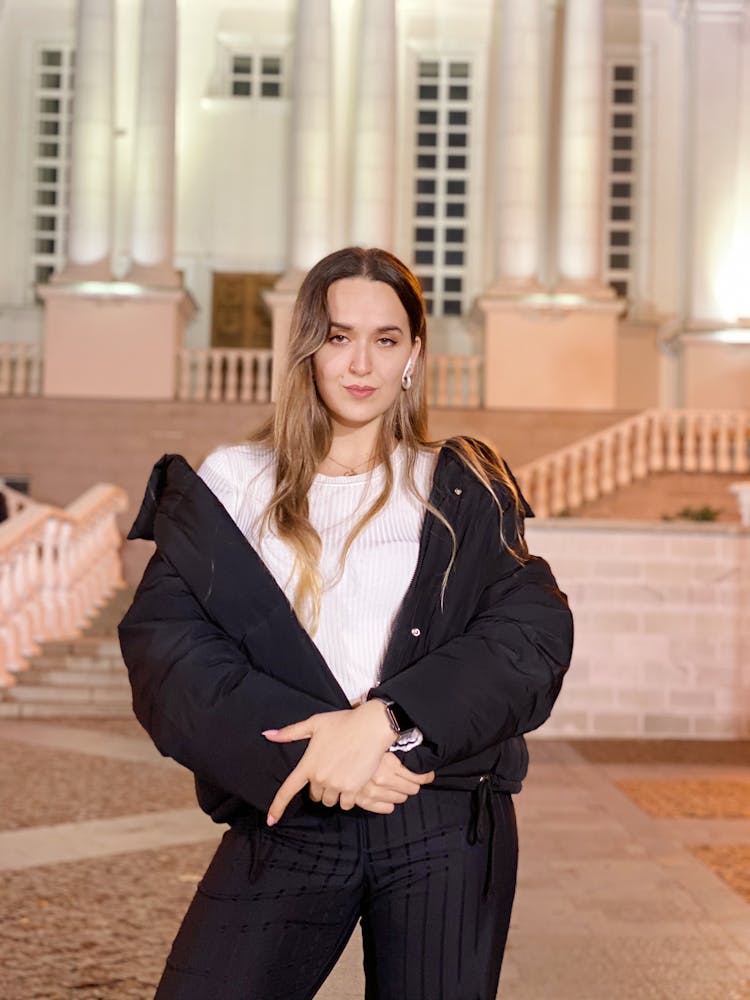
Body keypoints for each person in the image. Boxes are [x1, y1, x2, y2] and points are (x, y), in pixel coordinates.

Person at [118, 246, 574, 1000]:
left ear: (413, 355)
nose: (360, 362)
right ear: (307, 348)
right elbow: (166, 651)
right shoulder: (234, 481)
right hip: (291, 811)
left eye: (385, 338)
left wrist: (389, 720)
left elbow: (528, 638)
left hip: (437, 815)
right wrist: (322, 746)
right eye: (338, 336)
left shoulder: (459, 487)